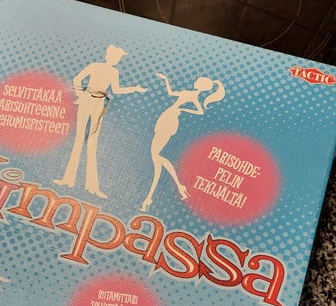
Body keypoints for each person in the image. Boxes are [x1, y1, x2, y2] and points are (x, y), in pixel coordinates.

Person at [54, 45, 147, 199]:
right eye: (114, 56)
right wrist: (80, 95)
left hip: (99, 103)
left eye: (118, 58)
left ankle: (92, 186)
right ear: (107, 56)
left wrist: (134, 88)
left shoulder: (114, 72)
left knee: (92, 141)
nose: (116, 60)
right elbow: (77, 79)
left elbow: (116, 90)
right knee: (79, 139)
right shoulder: (95, 66)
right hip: (86, 99)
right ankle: (68, 179)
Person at [140, 74, 225, 211]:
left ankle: (158, 194)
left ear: (201, 85)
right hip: (167, 117)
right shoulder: (189, 93)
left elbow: (200, 111)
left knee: (156, 157)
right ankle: (168, 191)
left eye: (198, 81)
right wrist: (165, 79)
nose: (195, 81)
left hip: (170, 120)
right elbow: (171, 93)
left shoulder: (192, 95)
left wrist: (183, 109)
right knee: (156, 158)